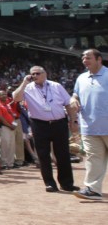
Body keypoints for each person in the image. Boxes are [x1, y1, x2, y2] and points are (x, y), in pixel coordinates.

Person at [12, 66, 79, 192]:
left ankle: (66, 183)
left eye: (38, 73)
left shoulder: (56, 86)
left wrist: (73, 120)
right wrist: (24, 82)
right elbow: (16, 98)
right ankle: (49, 183)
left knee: (63, 154)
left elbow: (68, 103)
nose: (35, 76)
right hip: (39, 124)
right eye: (32, 74)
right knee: (43, 155)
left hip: (59, 123)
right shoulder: (27, 87)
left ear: (45, 74)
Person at [70, 49, 108, 200]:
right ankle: (93, 189)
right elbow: (75, 95)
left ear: (99, 59)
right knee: (93, 159)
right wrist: (73, 99)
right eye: (83, 58)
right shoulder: (81, 78)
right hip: (89, 127)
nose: (85, 60)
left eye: (88, 57)